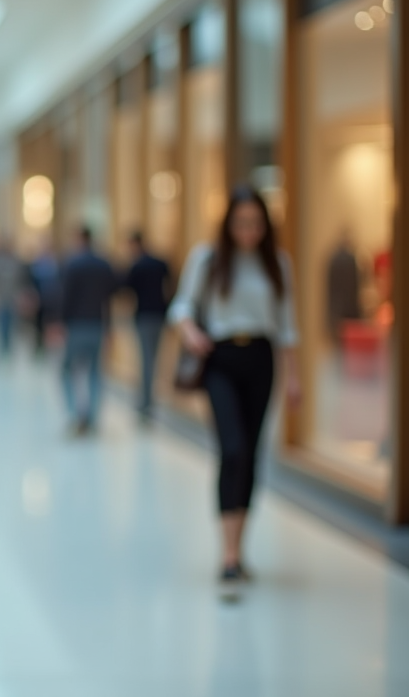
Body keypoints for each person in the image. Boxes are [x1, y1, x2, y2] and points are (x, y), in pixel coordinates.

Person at [168, 185, 300, 602]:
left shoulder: (277, 263)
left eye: (256, 224)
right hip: (220, 359)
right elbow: (181, 307)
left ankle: (238, 549)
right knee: (234, 449)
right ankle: (227, 554)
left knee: (253, 453)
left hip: (261, 360)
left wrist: (293, 377)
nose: (248, 231)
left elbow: (287, 326)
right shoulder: (208, 259)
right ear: (228, 224)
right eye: (241, 223)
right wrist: (191, 333)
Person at [58, 226, 118, 433]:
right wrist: (109, 328)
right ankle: (91, 417)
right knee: (95, 371)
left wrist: (60, 323)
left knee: (67, 370)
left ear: (78, 239)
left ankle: (77, 414)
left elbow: (65, 297)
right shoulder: (103, 264)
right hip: (98, 324)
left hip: (76, 325)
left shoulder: (72, 264)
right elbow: (111, 296)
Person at [122, 230, 172, 419]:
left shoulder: (137, 266)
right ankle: (148, 399)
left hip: (144, 316)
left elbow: (127, 290)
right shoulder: (160, 263)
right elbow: (170, 286)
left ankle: (146, 402)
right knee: (154, 358)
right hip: (159, 315)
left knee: (147, 359)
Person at [0, 237, 26, 357]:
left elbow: (20, 281)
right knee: (1, 323)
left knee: (11, 324)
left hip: (12, 299)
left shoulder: (16, 263)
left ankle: (8, 347)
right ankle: (2, 347)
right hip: (0, 298)